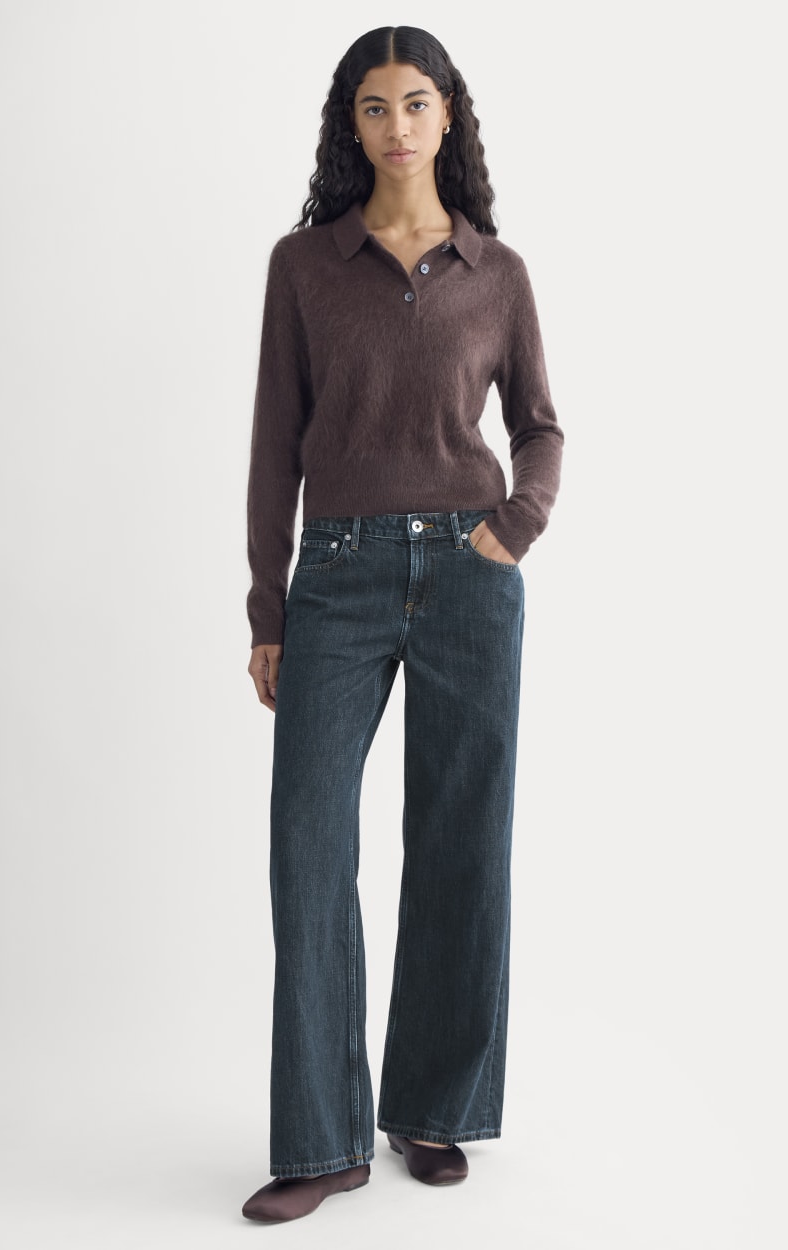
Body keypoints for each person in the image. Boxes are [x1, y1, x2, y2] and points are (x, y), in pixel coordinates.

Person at [241, 25, 563, 1223]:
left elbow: (539, 425)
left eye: (415, 103)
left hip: (472, 571)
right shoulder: (304, 265)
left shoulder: (497, 271)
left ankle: (432, 1107)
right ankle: (321, 1136)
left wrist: (512, 526)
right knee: (308, 841)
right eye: (373, 107)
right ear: (351, 123)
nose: (396, 126)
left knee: (460, 837)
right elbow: (274, 441)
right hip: (338, 570)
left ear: (447, 114)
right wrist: (269, 602)